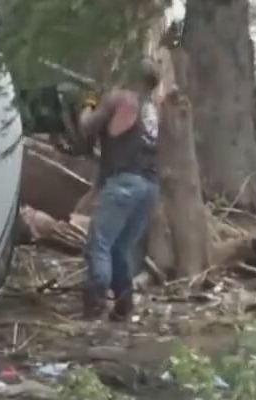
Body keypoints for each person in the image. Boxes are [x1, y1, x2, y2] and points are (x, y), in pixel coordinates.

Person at [79, 60, 160, 321]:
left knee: (99, 243)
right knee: (121, 247)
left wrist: (90, 101)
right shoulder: (152, 109)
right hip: (149, 185)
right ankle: (124, 306)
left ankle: (96, 303)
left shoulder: (120, 97)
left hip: (124, 183)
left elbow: (87, 126)